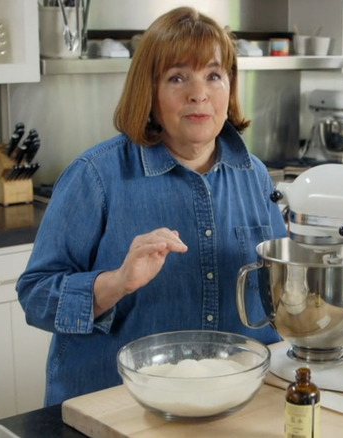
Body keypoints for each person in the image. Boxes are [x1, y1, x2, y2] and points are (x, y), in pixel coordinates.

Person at [16, 6, 285, 405]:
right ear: (150, 91)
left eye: (214, 75)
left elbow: (280, 295)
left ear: (230, 86)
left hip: (234, 404)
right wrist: (116, 282)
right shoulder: (95, 176)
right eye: (178, 77)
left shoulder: (255, 176)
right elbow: (35, 296)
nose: (199, 93)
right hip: (115, 407)